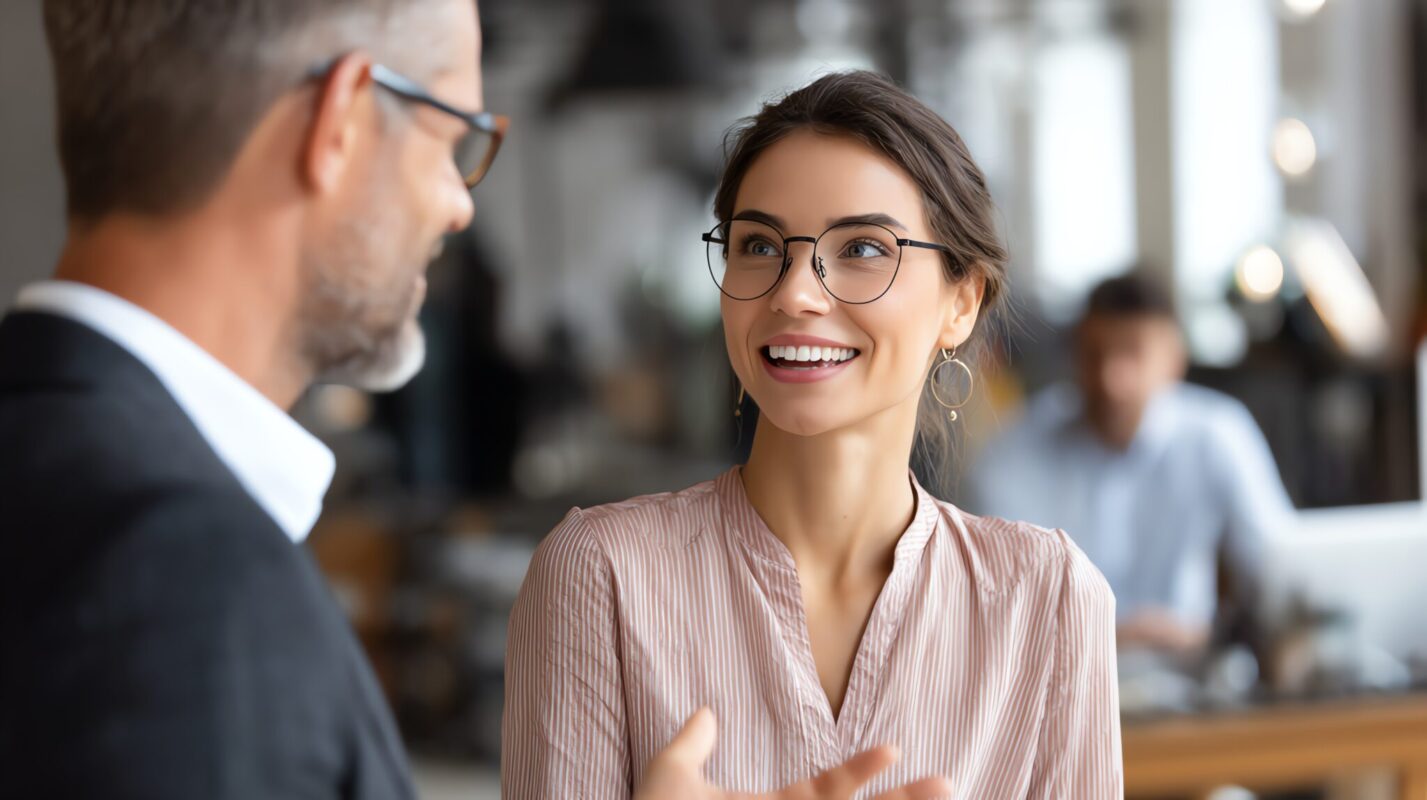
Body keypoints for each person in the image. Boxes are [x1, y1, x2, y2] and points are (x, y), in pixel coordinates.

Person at [0, 2, 943, 798]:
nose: (459, 205)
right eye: (454, 138)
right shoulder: (182, 585)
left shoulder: (62, 484)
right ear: (342, 125)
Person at [503, 71, 1123, 798]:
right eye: (759, 247)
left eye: (862, 249)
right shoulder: (600, 575)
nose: (794, 292)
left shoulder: (1047, 598)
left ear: (961, 300)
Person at [968, 274, 1294, 656]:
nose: (1111, 379)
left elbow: (1279, 571)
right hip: (1059, 677)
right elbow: (995, 605)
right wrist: (1111, 638)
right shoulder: (1012, 451)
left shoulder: (1218, 434)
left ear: (1174, 360)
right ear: (1073, 356)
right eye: (1094, 355)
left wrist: (1214, 637)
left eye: (1132, 354)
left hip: (1191, 679)